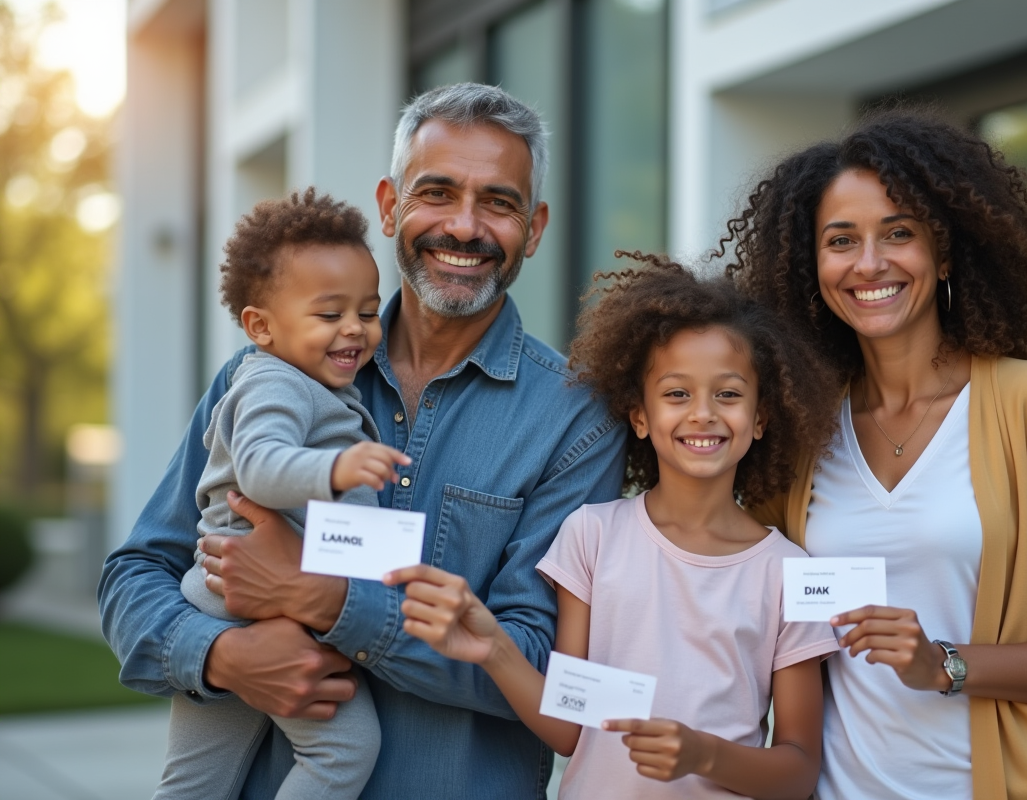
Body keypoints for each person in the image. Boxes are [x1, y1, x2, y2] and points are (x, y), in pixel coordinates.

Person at [100, 83, 626, 799]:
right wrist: (222, 653)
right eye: (436, 193)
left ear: (533, 229)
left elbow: (545, 666)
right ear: (389, 206)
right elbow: (136, 574)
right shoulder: (268, 371)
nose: (464, 227)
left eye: (498, 203)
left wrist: (325, 602)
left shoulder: (577, 421)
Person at [719, 108, 1027, 800]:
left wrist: (944, 664)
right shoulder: (800, 429)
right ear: (812, 267)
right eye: (840, 240)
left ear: (944, 252)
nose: (869, 263)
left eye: (898, 233)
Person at [385, 259, 843, 799]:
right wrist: (494, 648)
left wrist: (703, 754)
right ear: (640, 416)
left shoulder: (788, 573)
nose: (703, 414)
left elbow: (797, 772)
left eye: (728, 394)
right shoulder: (592, 536)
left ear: (761, 417)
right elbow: (568, 730)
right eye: (677, 394)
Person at [156, 189, 410, 799]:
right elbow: (263, 469)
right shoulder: (276, 383)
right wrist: (338, 468)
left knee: (195, 779)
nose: (354, 328)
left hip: (222, 603)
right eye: (329, 315)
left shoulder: (300, 378)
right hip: (245, 600)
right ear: (260, 326)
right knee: (345, 750)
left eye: (368, 311)